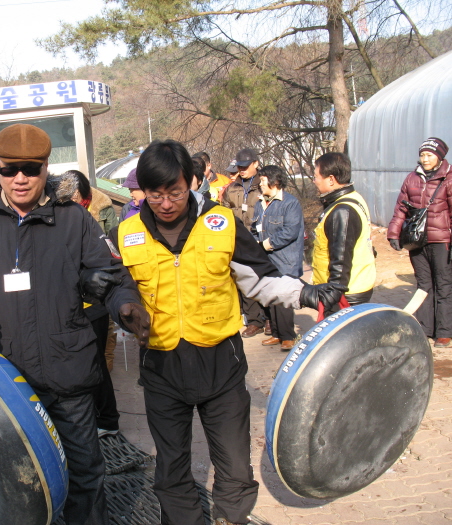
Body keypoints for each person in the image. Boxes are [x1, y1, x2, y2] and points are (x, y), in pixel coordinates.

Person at [109, 139, 344, 525]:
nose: (166, 203)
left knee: (234, 465)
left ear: (192, 182)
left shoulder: (221, 223)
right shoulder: (127, 233)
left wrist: (305, 293)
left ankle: (230, 518)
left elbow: (260, 280)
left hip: (221, 363)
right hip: (162, 369)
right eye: (155, 195)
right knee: (171, 469)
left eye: (175, 192)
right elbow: (116, 285)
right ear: (143, 192)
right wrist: (123, 307)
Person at [0, 123, 149, 525]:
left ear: (47, 167)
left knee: (85, 474)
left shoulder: (73, 220)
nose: (20, 179)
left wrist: (126, 306)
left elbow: (112, 278)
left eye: (31, 168)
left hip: (68, 375)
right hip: (4, 382)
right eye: (11, 169)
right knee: (18, 482)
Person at [63, 169, 121, 436]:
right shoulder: (72, 218)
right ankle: (102, 418)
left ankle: (107, 420)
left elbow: (110, 259)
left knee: (95, 364)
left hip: (92, 306)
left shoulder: (86, 220)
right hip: (81, 305)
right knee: (91, 363)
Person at [387, 137, 452, 346]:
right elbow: (401, 209)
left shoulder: (449, 178)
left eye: (429, 155)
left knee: (443, 284)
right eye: (422, 155)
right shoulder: (411, 179)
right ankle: (426, 327)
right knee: (424, 284)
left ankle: (444, 330)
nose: (424, 159)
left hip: (442, 241)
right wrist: (394, 233)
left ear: (440, 157)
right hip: (417, 240)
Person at [312, 152, 376, 316]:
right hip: (353, 286)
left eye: (316, 176)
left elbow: (340, 259)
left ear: (331, 179)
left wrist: (332, 296)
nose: (314, 181)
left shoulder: (342, 211)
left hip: (345, 294)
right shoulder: (353, 198)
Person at [251, 166, 304, 351]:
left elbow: (290, 231)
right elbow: (254, 227)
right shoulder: (260, 203)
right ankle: (275, 333)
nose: (260, 184)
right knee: (272, 298)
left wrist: (264, 244)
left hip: (286, 259)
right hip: (267, 261)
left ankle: (288, 336)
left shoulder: (290, 203)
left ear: (274, 181)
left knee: (284, 299)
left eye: (263, 181)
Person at [222, 148, 266, 338]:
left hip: (262, 240)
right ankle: (255, 321)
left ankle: (271, 319)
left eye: (245, 166)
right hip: (239, 240)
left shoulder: (265, 184)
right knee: (246, 280)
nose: (242, 170)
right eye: (239, 166)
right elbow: (224, 211)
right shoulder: (232, 188)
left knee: (266, 280)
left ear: (256, 163)